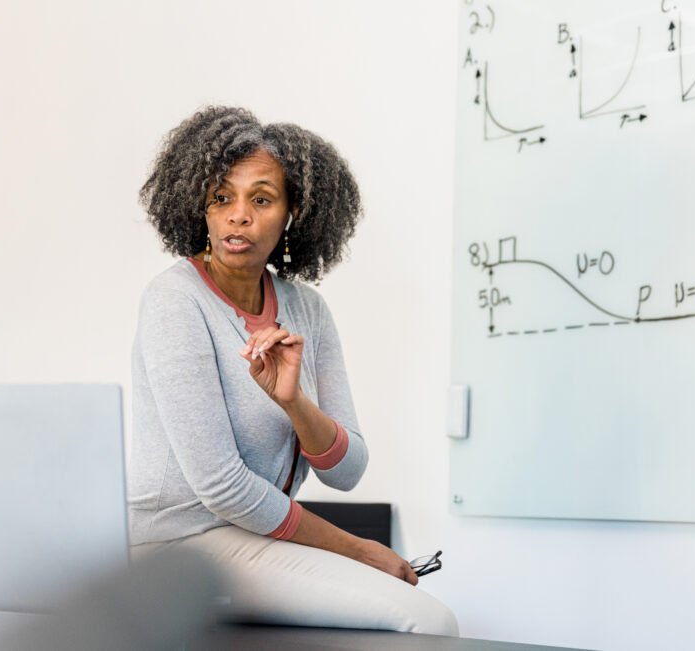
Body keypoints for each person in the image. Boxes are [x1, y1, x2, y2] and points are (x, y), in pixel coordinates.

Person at [127, 106, 458, 635]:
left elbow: (345, 471)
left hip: (253, 535)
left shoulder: (307, 310)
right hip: (176, 544)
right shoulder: (175, 301)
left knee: (427, 617)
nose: (238, 215)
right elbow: (221, 487)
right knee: (427, 622)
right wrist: (359, 551)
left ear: (292, 213)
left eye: (261, 199)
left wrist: (294, 402)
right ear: (201, 208)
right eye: (222, 197)